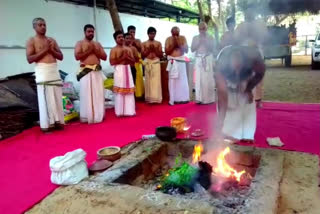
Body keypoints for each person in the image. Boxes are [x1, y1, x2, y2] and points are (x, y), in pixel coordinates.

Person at [215, 45, 265, 141]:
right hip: (228, 81)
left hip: (248, 78)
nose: (236, 68)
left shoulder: (255, 59)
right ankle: (229, 133)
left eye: (239, 66)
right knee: (229, 106)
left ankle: (247, 134)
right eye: (234, 66)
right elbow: (222, 96)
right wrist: (220, 121)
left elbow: (259, 75)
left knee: (247, 101)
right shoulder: (221, 64)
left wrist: (248, 89)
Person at [26, 17, 64, 132]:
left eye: (44, 25)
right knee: (45, 98)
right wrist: (46, 49)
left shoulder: (52, 40)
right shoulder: (31, 41)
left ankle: (58, 122)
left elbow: (61, 56)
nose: (43, 27)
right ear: (34, 27)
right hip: (43, 71)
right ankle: (47, 125)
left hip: (53, 70)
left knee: (56, 96)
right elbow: (30, 58)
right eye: (40, 25)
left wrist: (51, 50)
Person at [235, 5, 268, 108]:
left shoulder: (260, 24)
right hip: (244, 53)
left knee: (258, 75)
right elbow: (236, 39)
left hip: (257, 51)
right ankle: (244, 96)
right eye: (246, 13)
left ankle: (258, 100)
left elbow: (265, 38)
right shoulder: (240, 25)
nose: (248, 15)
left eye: (250, 13)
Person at [74, 24, 107, 124]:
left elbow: (104, 57)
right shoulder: (80, 43)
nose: (91, 33)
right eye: (89, 31)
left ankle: (98, 115)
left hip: (96, 71)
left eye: (92, 31)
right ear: (85, 32)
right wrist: (89, 51)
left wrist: (95, 50)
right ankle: (87, 116)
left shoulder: (97, 44)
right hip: (86, 72)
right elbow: (77, 56)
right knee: (86, 94)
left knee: (98, 94)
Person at [110, 31, 136, 117]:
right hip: (119, 70)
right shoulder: (113, 50)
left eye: (122, 37)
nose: (121, 39)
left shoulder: (128, 49)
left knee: (129, 91)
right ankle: (119, 112)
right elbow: (112, 62)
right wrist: (122, 57)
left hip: (127, 69)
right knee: (120, 92)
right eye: (119, 37)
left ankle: (130, 111)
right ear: (115, 39)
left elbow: (133, 62)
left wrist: (127, 57)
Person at [191, 22, 216, 104]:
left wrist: (205, 41)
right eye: (200, 29)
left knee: (208, 79)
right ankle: (199, 98)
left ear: (206, 29)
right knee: (198, 79)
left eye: (204, 29)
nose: (202, 31)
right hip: (199, 59)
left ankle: (209, 99)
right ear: (198, 29)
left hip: (207, 58)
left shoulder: (211, 37)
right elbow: (192, 49)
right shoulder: (195, 38)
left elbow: (213, 49)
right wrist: (199, 42)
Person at [165, 26, 190, 105]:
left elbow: (186, 50)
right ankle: (173, 99)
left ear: (179, 32)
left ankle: (184, 98)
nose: (175, 36)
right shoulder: (168, 39)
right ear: (171, 33)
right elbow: (167, 52)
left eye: (177, 34)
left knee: (182, 81)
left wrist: (178, 43)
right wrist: (173, 44)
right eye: (174, 34)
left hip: (181, 62)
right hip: (173, 62)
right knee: (172, 82)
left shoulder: (183, 38)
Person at [141, 27, 163, 104]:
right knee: (148, 80)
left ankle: (156, 98)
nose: (152, 35)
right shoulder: (143, 43)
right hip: (148, 62)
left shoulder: (158, 43)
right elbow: (142, 55)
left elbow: (161, 55)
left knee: (156, 81)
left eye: (154, 33)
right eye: (151, 33)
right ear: (148, 34)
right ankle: (149, 98)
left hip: (156, 62)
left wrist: (155, 50)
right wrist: (148, 50)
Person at [127, 25, 144, 99]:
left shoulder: (138, 40)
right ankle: (132, 94)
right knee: (131, 78)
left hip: (138, 61)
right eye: (131, 32)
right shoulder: (126, 41)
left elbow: (141, 50)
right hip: (130, 62)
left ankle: (139, 94)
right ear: (128, 32)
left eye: (133, 32)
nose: (132, 33)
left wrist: (134, 43)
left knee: (139, 77)